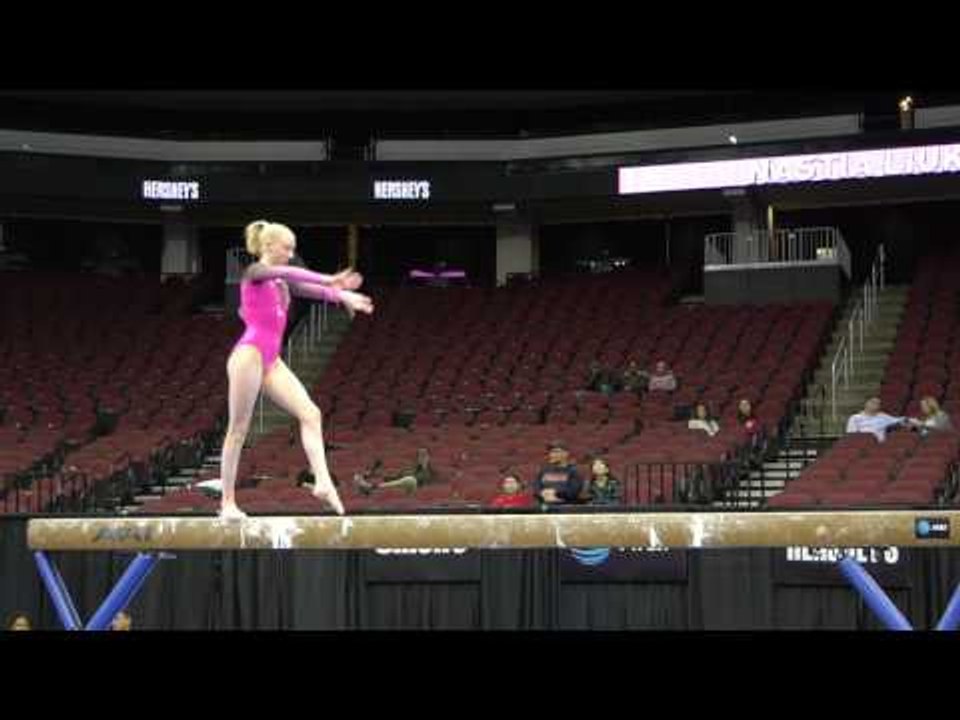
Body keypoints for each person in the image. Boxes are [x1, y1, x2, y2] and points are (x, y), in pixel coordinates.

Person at [219, 220, 375, 520]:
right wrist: (330, 278)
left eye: (293, 249)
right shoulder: (255, 274)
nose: (291, 254)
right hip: (249, 355)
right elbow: (289, 272)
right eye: (286, 248)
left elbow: (308, 289)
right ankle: (227, 503)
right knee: (238, 429)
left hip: (271, 359)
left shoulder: (280, 283)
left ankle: (323, 482)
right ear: (268, 246)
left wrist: (342, 296)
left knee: (311, 414)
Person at [354, 448, 433, 495]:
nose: (422, 458)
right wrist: (376, 474)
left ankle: (370, 486)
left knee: (410, 480)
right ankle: (367, 485)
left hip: (414, 490)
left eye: (424, 456)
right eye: (420, 456)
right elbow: (395, 477)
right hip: (400, 487)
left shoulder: (430, 471)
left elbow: (428, 482)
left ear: (428, 458)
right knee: (388, 477)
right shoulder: (409, 469)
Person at [532, 440, 584, 507]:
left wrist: (555, 493)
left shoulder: (574, 472)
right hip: (545, 507)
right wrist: (542, 494)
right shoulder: (544, 471)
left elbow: (573, 492)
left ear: (566, 454)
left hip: (565, 509)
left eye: (556, 452)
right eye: (551, 452)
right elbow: (536, 488)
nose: (552, 455)